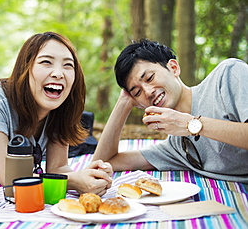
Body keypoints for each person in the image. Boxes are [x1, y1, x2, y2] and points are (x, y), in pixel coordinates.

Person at [0, 32, 113, 195]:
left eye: (68, 65)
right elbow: (9, 178)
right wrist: (73, 182)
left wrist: (89, 177)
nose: (58, 73)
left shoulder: (59, 108)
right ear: (26, 68)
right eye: (46, 62)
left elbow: (58, 168)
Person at [92, 39, 248, 183]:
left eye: (149, 78)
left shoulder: (228, 75)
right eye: (137, 92)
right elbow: (102, 163)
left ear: (173, 68)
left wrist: (191, 124)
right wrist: (124, 102)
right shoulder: (177, 146)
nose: (147, 92)